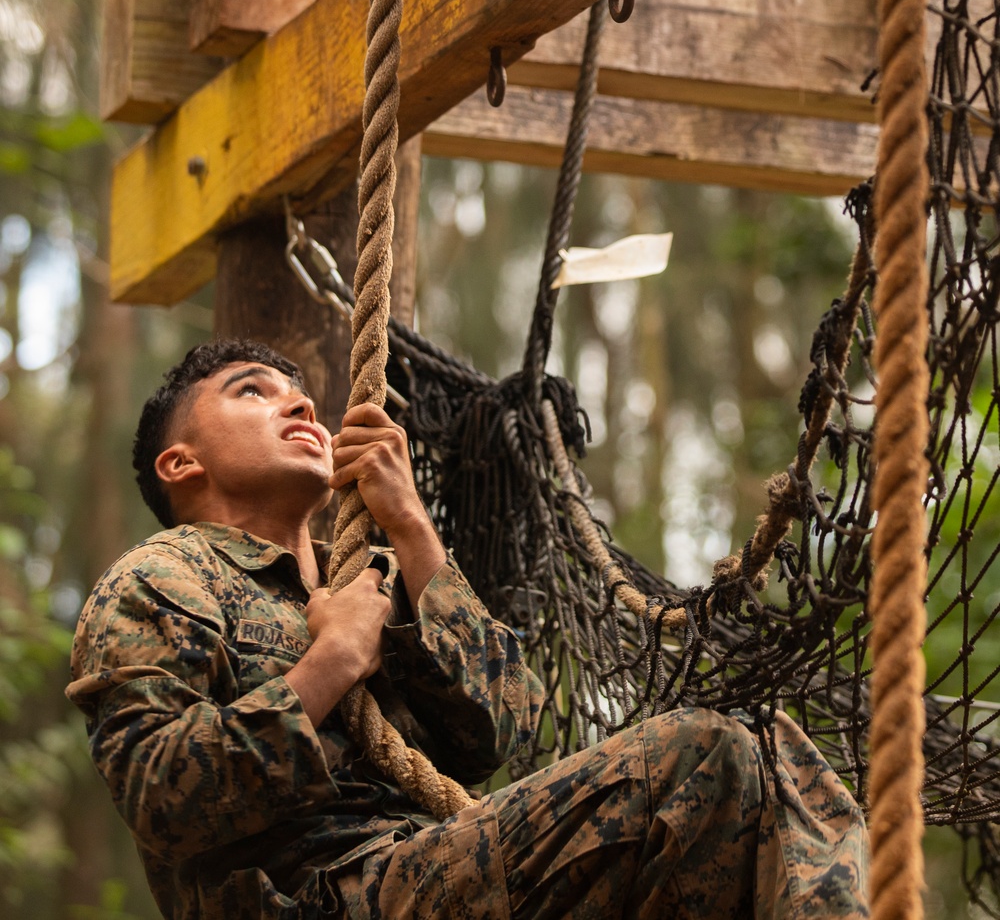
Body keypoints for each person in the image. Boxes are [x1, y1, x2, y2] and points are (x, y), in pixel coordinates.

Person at [68, 339, 869, 919]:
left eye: (297, 391)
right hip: (319, 899)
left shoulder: (375, 575)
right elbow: (161, 802)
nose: (301, 403)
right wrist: (333, 660)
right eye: (252, 391)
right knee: (702, 754)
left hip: (433, 877)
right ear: (181, 464)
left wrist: (412, 528)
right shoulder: (162, 576)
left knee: (768, 751)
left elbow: (504, 732)